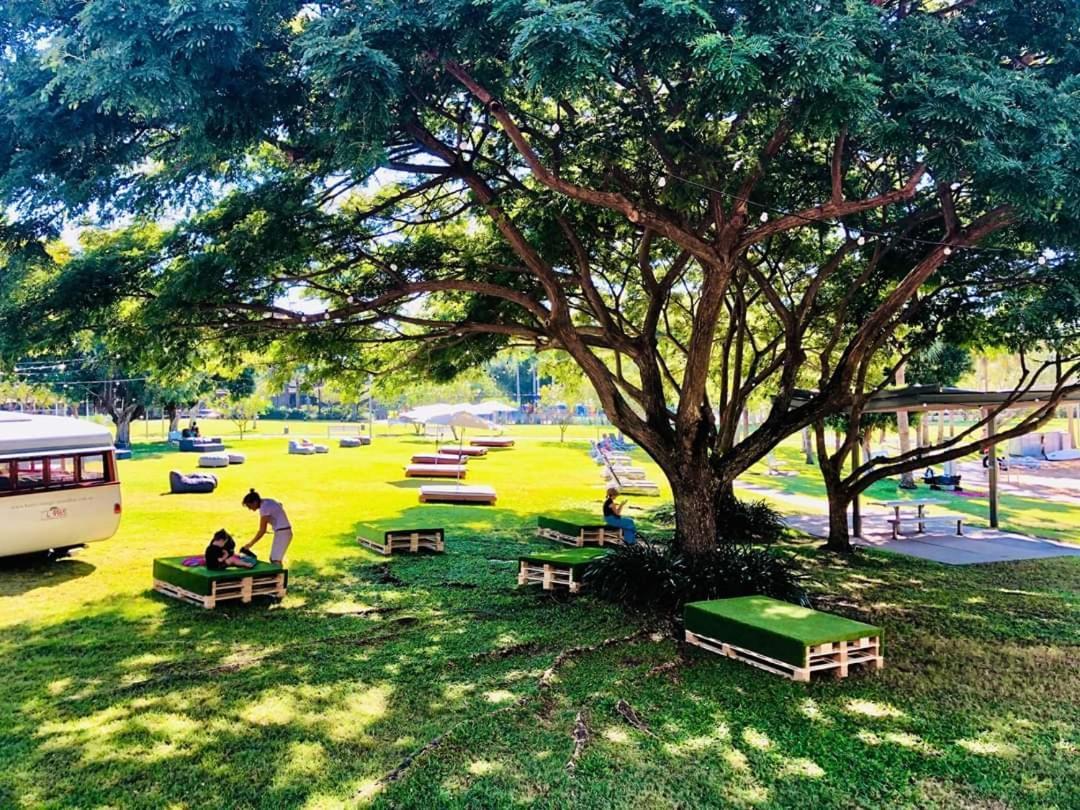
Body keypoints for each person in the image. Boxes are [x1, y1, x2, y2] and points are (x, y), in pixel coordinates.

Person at [241, 489, 293, 564]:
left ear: (255, 502)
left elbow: (262, 530)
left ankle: (279, 575)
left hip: (283, 532)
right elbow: (279, 505)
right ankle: (278, 575)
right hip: (282, 531)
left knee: (275, 560)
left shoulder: (264, 508)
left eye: (250, 506)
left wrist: (250, 544)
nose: (250, 509)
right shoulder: (268, 501)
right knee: (274, 558)